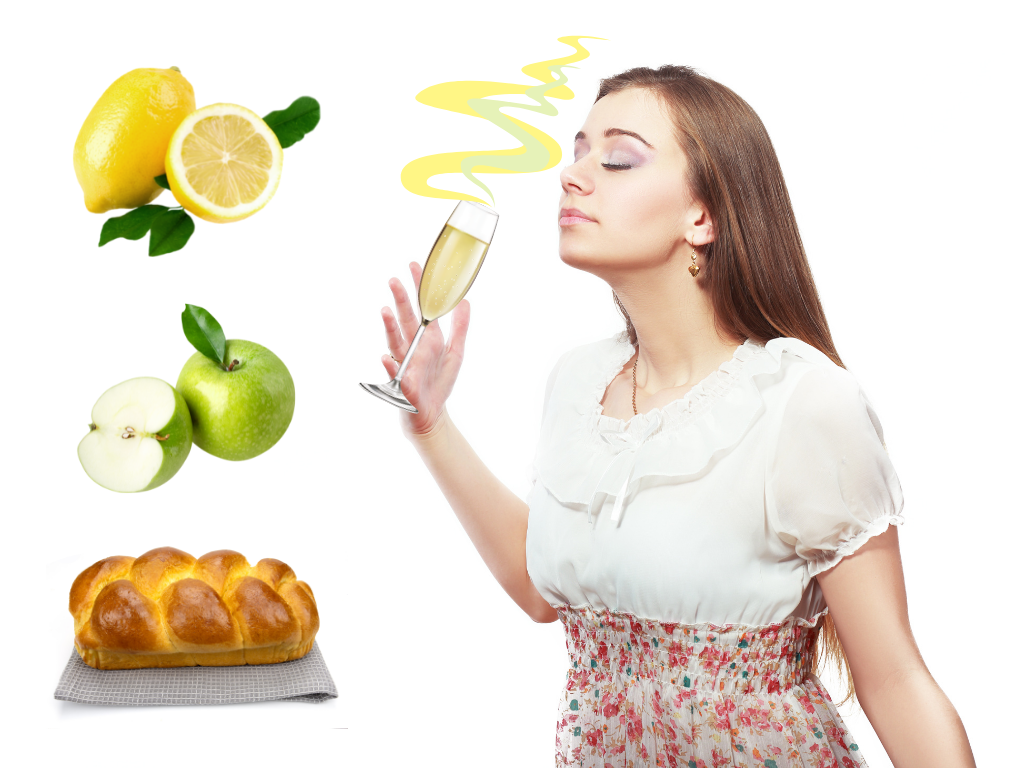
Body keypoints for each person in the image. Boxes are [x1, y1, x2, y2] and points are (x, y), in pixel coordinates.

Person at [377, 66, 976, 767]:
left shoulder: (802, 401)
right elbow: (545, 589)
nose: (572, 175)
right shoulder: (577, 382)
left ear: (703, 216)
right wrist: (431, 424)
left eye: (618, 159)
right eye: (577, 152)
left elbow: (895, 678)